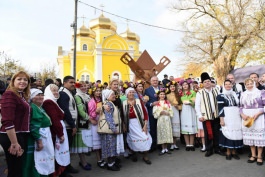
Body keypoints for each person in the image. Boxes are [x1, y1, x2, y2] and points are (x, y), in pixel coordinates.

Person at [0, 71, 31, 177]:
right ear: (13, 81)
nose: (22, 81)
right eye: (19, 79)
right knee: (14, 170)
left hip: (18, 134)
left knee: (17, 168)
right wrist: (14, 142)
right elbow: (7, 120)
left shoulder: (20, 95)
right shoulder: (9, 94)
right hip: (11, 136)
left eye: (25, 79)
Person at [23, 88, 54, 177]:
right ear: (32, 98)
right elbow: (34, 126)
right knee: (36, 159)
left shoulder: (40, 107)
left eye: (42, 95)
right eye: (38, 95)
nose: (41, 97)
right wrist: (39, 140)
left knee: (42, 158)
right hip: (37, 138)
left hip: (43, 135)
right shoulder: (33, 107)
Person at [43, 84, 70, 177]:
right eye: (53, 91)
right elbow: (54, 119)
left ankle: (60, 172)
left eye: (56, 90)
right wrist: (60, 133)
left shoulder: (54, 101)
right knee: (57, 153)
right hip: (55, 132)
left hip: (58, 130)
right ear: (48, 92)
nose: (56, 92)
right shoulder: (48, 102)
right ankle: (56, 173)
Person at [195, 72, 224, 157]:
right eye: (205, 82)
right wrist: (199, 116)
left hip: (216, 115)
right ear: (202, 84)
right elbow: (197, 105)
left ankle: (217, 148)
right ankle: (209, 149)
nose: (207, 83)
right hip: (206, 116)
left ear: (211, 82)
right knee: (208, 133)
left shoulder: (216, 90)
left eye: (208, 81)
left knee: (216, 133)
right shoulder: (200, 93)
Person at [122, 88, 152, 164]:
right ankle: (134, 154)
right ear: (126, 94)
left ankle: (145, 156)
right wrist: (124, 125)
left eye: (132, 92)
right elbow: (122, 115)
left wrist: (145, 125)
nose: (131, 93)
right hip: (130, 124)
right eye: (129, 92)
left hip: (140, 123)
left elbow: (145, 113)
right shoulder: (124, 103)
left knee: (144, 137)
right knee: (132, 139)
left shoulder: (138, 101)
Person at [240, 78, 265, 165]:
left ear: (254, 83)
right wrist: (242, 114)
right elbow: (240, 106)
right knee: (250, 136)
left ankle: (259, 156)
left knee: (259, 137)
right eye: (247, 84)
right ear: (245, 85)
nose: (249, 85)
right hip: (247, 117)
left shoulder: (261, 92)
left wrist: (258, 113)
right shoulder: (243, 94)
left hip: (259, 116)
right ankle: (253, 155)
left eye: (251, 83)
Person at [57, 76, 79, 176]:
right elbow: (65, 111)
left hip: (69, 125)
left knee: (68, 148)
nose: (73, 84)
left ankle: (67, 166)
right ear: (64, 82)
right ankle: (63, 170)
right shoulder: (63, 93)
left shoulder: (68, 92)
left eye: (74, 82)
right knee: (65, 149)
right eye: (71, 82)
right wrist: (72, 125)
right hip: (67, 126)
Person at [217, 80, 243, 160]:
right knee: (228, 132)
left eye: (229, 84)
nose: (228, 85)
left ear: (232, 85)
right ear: (224, 86)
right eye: (226, 84)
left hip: (236, 116)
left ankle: (234, 152)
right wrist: (221, 119)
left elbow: (240, 106)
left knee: (236, 132)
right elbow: (220, 108)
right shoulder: (220, 96)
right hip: (227, 116)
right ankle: (228, 152)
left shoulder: (236, 94)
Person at [71, 81, 92, 171]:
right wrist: (89, 118)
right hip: (82, 123)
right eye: (81, 86)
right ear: (78, 88)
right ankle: (83, 162)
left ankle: (83, 161)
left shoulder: (86, 96)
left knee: (85, 142)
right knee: (82, 143)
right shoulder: (77, 96)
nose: (84, 88)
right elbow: (80, 111)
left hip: (86, 122)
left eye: (85, 86)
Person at [101, 89, 124, 171]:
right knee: (110, 148)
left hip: (112, 130)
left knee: (113, 147)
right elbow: (109, 118)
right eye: (112, 95)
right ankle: (110, 165)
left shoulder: (110, 103)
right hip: (110, 131)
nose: (114, 96)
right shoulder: (108, 104)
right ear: (107, 96)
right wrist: (114, 129)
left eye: (114, 94)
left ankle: (113, 163)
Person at [88, 83, 105, 168]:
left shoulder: (101, 100)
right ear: (93, 92)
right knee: (97, 144)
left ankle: (102, 158)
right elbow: (91, 115)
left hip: (102, 121)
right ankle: (99, 160)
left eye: (99, 91)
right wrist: (96, 112)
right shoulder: (91, 101)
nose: (98, 92)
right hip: (95, 122)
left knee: (102, 142)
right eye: (97, 91)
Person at [153, 88, 173, 155]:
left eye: (163, 94)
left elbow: (171, 110)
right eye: (161, 94)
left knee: (167, 132)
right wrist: (160, 113)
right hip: (161, 119)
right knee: (161, 133)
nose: (162, 95)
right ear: (158, 95)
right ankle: (162, 148)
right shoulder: (157, 103)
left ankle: (166, 148)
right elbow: (154, 112)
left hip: (167, 119)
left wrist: (169, 113)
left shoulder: (167, 102)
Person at [179, 80, 197, 151]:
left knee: (191, 126)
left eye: (186, 84)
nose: (185, 86)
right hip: (184, 111)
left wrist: (190, 102)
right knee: (185, 128)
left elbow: (194, 100)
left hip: (191, 110)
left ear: (189, 85)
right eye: (183, 85)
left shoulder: (193, 92)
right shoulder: (181, 93)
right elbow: (179, 102)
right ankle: (187, 144)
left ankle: (191, 144)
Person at [144, 76, 161, 151]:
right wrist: (151, 104)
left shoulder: (162, 89)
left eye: (156, 80)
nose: (155, 82)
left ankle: (161, 144)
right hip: (152, 112)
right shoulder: (147, 90)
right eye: (153, 80)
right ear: (151, 82)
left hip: (161, 112)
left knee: (160, 128)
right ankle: (153, 144)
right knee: (153, 129)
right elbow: (145, 102)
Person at [166, 81, 181, 150]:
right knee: (170, 127)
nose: (172, 88)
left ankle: (175, 144)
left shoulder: (178, 95)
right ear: (169, 87)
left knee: (175, 128)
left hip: (176, 111)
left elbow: (181, 105)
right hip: (169, 111)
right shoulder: (167, 95)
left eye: (173, 86)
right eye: (171, 86)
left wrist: (178, 107)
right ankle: (171, 144)